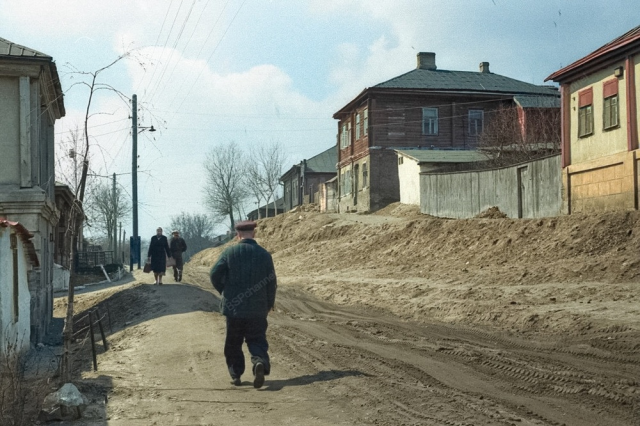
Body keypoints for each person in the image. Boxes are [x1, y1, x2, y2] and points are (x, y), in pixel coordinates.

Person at [209, 220, 277, 388]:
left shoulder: (229, 252)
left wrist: (224, 291)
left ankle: (236, 375)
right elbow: (271, 282)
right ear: (254, 233)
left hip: (234, 308)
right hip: (258, 308)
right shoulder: (264, 255)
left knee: (233, 342)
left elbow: (214, 274)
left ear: (238, 234)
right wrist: (269, 303)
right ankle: (259, 362)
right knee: (257, 339)